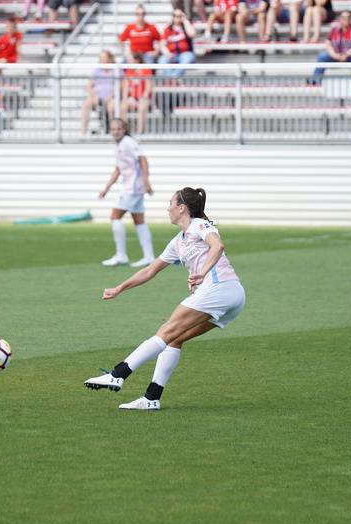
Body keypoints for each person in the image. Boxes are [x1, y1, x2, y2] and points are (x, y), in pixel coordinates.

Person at [84, 187, 245, 410]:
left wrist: (203, 272)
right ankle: (152, 398)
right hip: (231, 297)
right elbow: (150, 270)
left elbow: (218, 246)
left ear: (181, 208)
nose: (167, 208)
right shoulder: (177, 242)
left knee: (165, 331)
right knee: (174, 339)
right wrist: (120, 288)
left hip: (220, 288)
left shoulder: (199, 225)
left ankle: (118, 374)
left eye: (170, 203)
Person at [99, 118, 154, 268]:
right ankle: (149, 256)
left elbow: (143, 159)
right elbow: (118, 169)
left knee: (115, 216)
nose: (116, 132)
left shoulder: (128, 142)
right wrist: (107, 188)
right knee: (139, 220)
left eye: (119, 129)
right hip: (133, 188)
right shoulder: (119, 145)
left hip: (132, 188)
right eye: (113, 129)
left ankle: (121, 255)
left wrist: (146, 181)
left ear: (124, 129)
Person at [310, 10, 351, 84]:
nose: (346, 19)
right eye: (343, 17)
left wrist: (346, 54)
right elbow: (328, 44)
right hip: (337, 55)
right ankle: (314, 81)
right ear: (340, 19)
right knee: (323, 55)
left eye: (348, 17)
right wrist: (334, 55)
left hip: (350, 56)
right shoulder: (334, 29)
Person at [81, 50, 116, 136]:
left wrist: (110, 96)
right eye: (101, 58)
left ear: (109, 58)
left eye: (104, 57)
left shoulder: (115, 70)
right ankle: (83, 132)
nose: (102, 60)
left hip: (111, 98)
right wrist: (94, 96)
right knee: (86, 104)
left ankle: (113, 132)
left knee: (111, 106)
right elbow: (89, 86)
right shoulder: (97, 71)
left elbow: (119, 87)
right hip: (97, 97)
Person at [121, 52, 153, 135]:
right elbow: (126, 86)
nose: (128, 62)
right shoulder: (129, 70)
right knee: (122, 107)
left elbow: (148, 87)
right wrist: (125, 98)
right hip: (133, 98)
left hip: (144, 98)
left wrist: (143, 97)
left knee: (141, 108)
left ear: (137, 60)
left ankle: (140, 132)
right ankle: (124, 131)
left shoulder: (146, 70)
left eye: (130, 60)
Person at [159, 9, 196, 77]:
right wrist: (168, 53)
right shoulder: (168, 29)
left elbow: (192, 34)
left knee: (187, 58)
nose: (178, 18)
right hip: (171, 54)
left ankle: (175, 77)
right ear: (172, 17)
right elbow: (162, 45)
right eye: (175, 16)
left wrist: (185, 21)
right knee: (162, 60)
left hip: (185, 53)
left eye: (180, 16)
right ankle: (170, 79)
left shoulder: (186, 27)